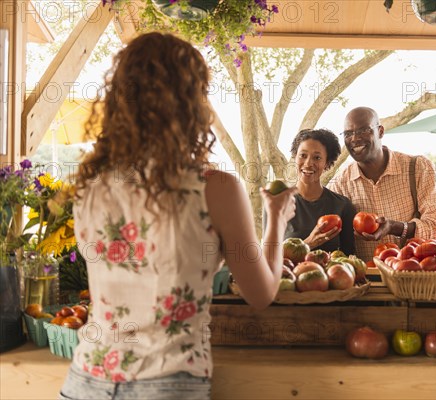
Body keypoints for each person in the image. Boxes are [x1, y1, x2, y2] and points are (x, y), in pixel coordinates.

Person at [60, 32, 297, 400]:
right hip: (168, 382)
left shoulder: (91, 184)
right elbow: (261, 293)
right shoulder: (214, 188)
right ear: (192, 103)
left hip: (86, 380)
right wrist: (276, 221)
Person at [328, 106, 436, 261]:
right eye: (348, 133)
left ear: (380, 131)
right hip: (366, 280)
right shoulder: (340, 183)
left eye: (363, 130)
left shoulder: (418, 168)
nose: (354, 138)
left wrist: (395, 227)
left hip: (414, 276)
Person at [281, 128, 356, 255]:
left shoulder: (343, 206)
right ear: (295, 157)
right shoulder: (277, 203)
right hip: (287, 275)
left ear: (327, 163)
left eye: (317, 157)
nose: (308, 163)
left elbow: (349, 259)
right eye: (303, 155)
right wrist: (308, 244)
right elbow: (268, 259)